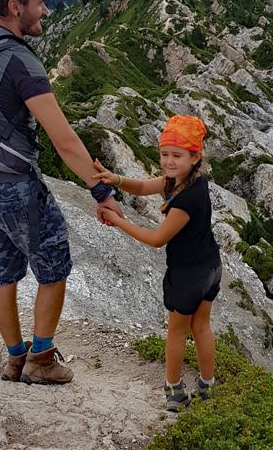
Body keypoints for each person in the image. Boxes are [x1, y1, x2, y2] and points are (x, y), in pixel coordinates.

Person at [0, 0, 123, 386]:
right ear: (16, 7)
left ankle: (15, 357)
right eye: (39, 3)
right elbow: (64, 140)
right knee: (53, 266)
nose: (46, 11)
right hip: (14, 188)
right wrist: (100, 189)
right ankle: (42, 359)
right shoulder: (20, 62)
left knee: (1, 273)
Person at [92, 114, 222, 411]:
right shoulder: (188, 182)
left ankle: (174, 391)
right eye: (164, 154)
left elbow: (156, 239)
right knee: (202, 326)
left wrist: (117, 220)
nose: (168, 161)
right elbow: (140, 188)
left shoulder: (184, 198)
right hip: (211, 268)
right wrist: (115, 179)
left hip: (189, 275)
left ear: (195, 157)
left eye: (176, 155)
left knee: (177, 331)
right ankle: (207, 385)